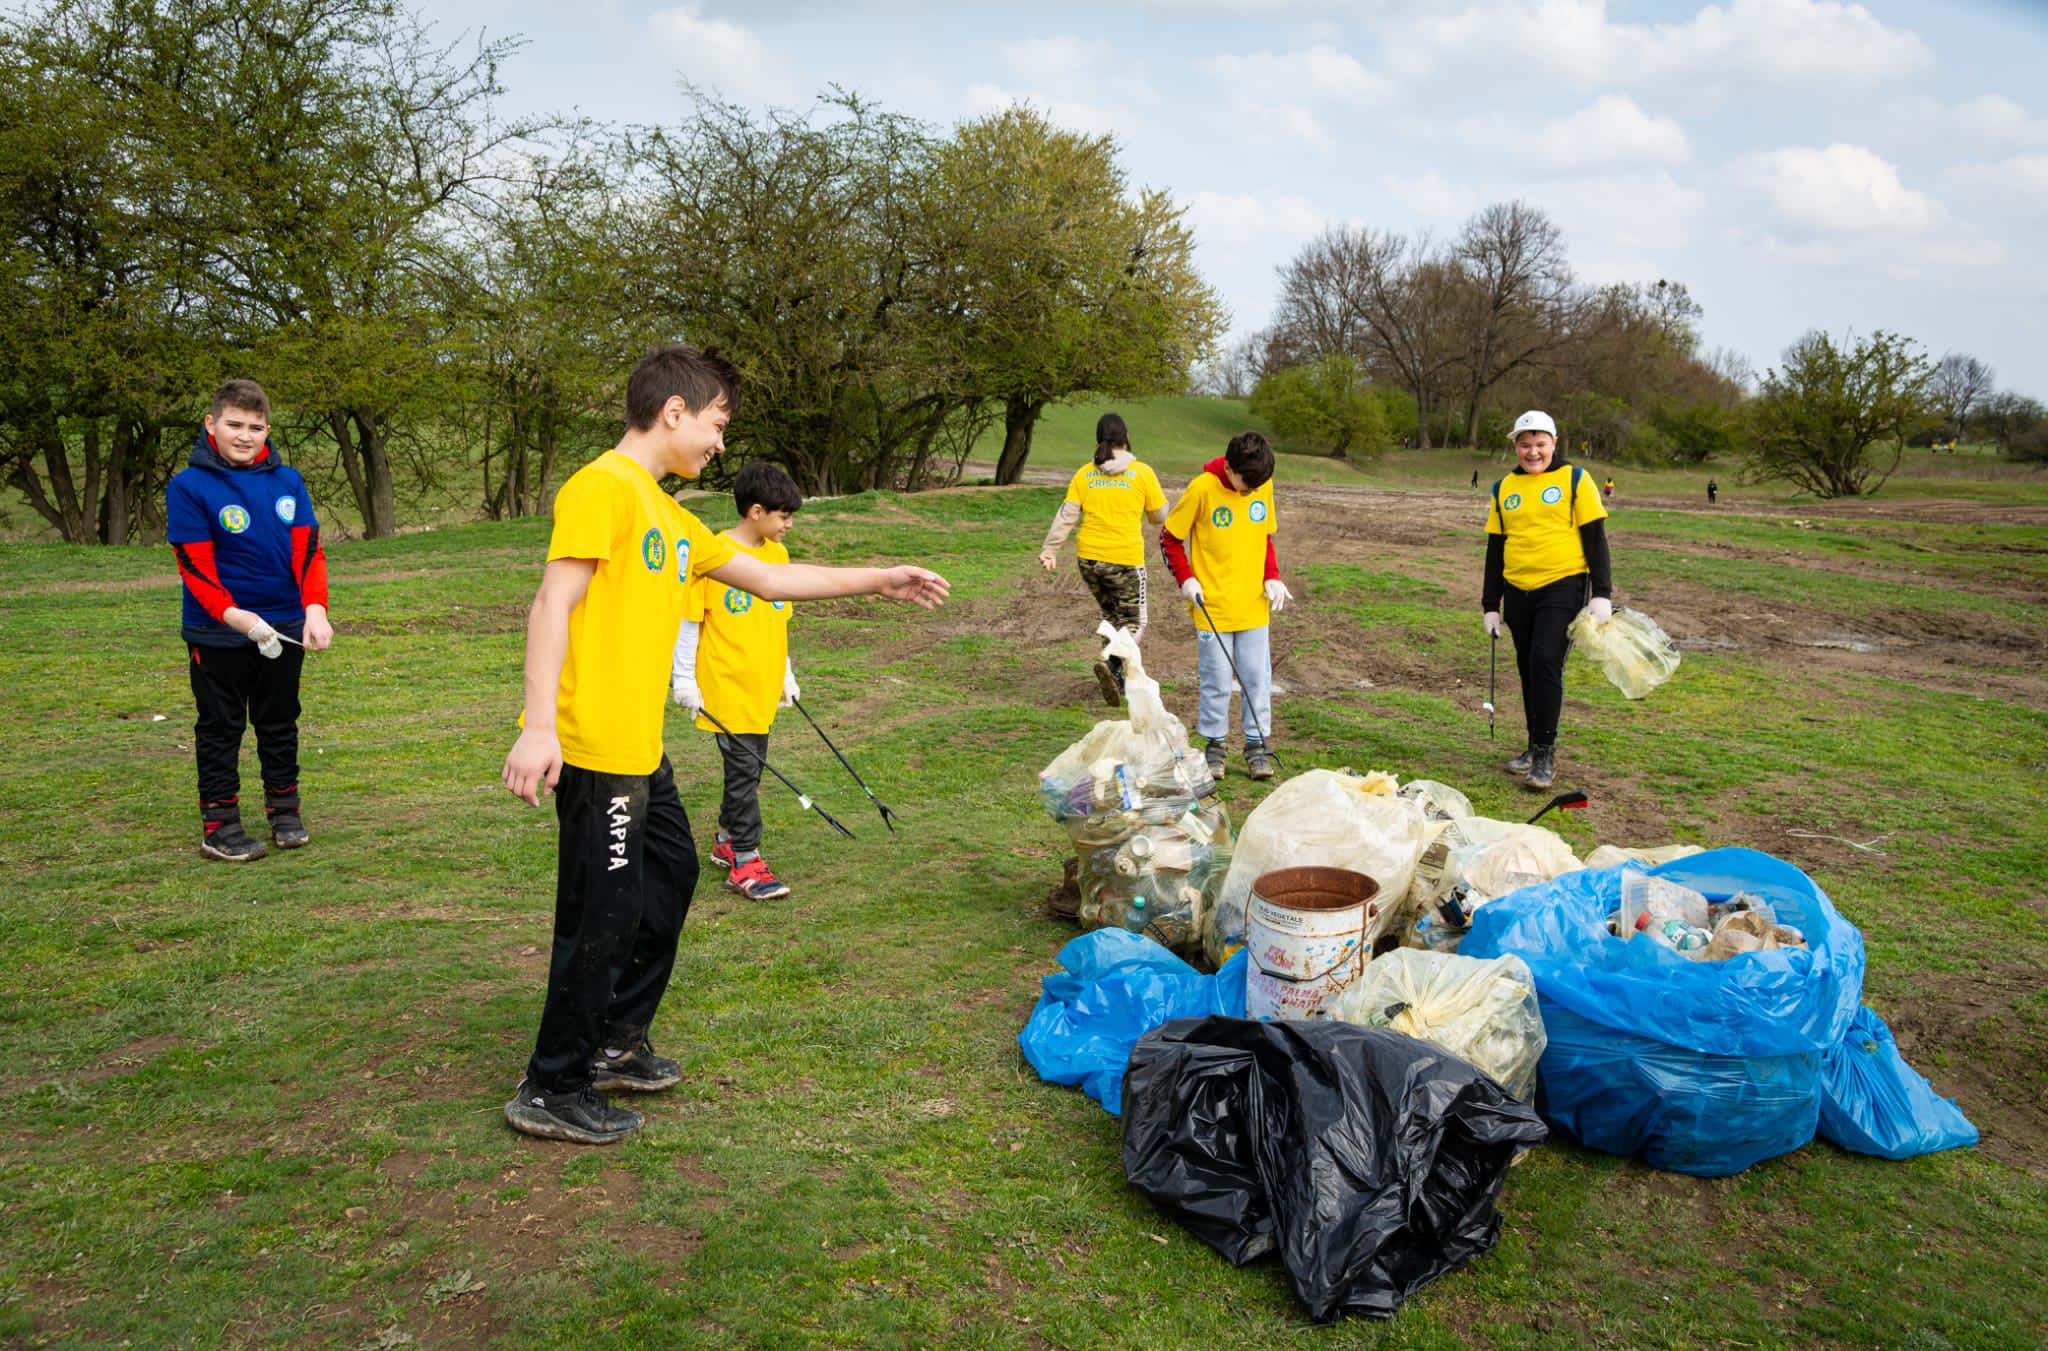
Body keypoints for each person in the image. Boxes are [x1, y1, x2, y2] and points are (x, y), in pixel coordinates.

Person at [500, 344, 948, 1146]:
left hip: (643, 750)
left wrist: (879, 576)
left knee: (669, 877)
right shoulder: (602, 487)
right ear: (674, 411)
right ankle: (552, 1083)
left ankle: (613, 1039)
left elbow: (773, 579)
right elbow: (551, 601)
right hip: (595, 747)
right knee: (601, 912)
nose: (718, 443)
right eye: (715, 424)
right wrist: (538, 725)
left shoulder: (673, 519)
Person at [166, 379, 334, 861]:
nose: (245, 435)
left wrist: (315, 610)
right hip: (218, 631)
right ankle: (219, 826)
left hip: (284, 626)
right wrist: (237, 618)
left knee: (279, 719)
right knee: (221, 726)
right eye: (234, 425)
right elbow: (193, 566)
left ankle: (285, 811)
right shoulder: (189, 487)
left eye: (255, 427)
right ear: (211, 425)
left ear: (267, 430)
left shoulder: (289, 481)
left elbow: (309, 552)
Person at [671, 461, 804, 901]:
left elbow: (778, 617)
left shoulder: (778, 556)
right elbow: (689, 625)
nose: (789, 524)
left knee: (750, 770)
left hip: (761, 687)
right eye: (783, 516)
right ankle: (745, 860)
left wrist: (785, 673)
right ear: (755, 511)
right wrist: (685, 682)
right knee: (745, 773)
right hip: (725, 689)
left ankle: (727, 837)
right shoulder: (714, 555)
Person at [1481, 410, 1612, 792]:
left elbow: (1595, 537)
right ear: (1515, 447)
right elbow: (1495, 547)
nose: (1533, 452)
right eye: (1525, 444)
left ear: (1554, 443)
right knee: (1527, 666)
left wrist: (1602, 594)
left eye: (1540, 444)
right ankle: (1532, 744)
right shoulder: (1503, 488)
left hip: (1563, 585)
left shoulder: (1575, 480)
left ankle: (1545, 754)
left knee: (1544, 661)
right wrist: (1491, 603)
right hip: (1518, 589)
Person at [1160, 431, 1291, 781]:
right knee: (1217, 681)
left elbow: (1265, 536)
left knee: (1256, 680)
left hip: (1253, 607)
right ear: (1229, 468)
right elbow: (1169, 539)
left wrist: (1272, 576)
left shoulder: (1262, 484)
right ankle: (1215, 746)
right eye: (1244, 486)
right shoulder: (1202, 489)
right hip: (1212, 609)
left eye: (1255, 487)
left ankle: (1256, 746)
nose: (1249, 492)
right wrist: (1187, 580)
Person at [1037, 412, 1167, 705]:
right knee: (1136, 621)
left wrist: (1050, 550)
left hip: (1089, 561)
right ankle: (1113, 664)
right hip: (1124, 560)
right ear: (1126, 437)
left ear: (1100, 440)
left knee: (1112, 616)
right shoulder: (1142, 472)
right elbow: (1159, 517)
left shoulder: (1085, 474)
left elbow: (1067, 514)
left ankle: (1115, 678)